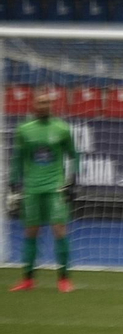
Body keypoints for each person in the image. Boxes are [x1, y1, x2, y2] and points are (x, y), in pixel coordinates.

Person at [9, 89, 78, 294]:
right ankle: (28, 279)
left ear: (52, 106)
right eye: (40, 103)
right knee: (31, 232)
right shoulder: (24, 130)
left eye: (47, 103)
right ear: (34, 106)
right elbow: (18, 158)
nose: (44, 106)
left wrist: (72, 181)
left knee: (60, 230)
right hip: (32, 188)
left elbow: (74, 155)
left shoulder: (62, 128)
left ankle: (64, 279)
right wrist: (14, 184)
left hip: (54, 187)